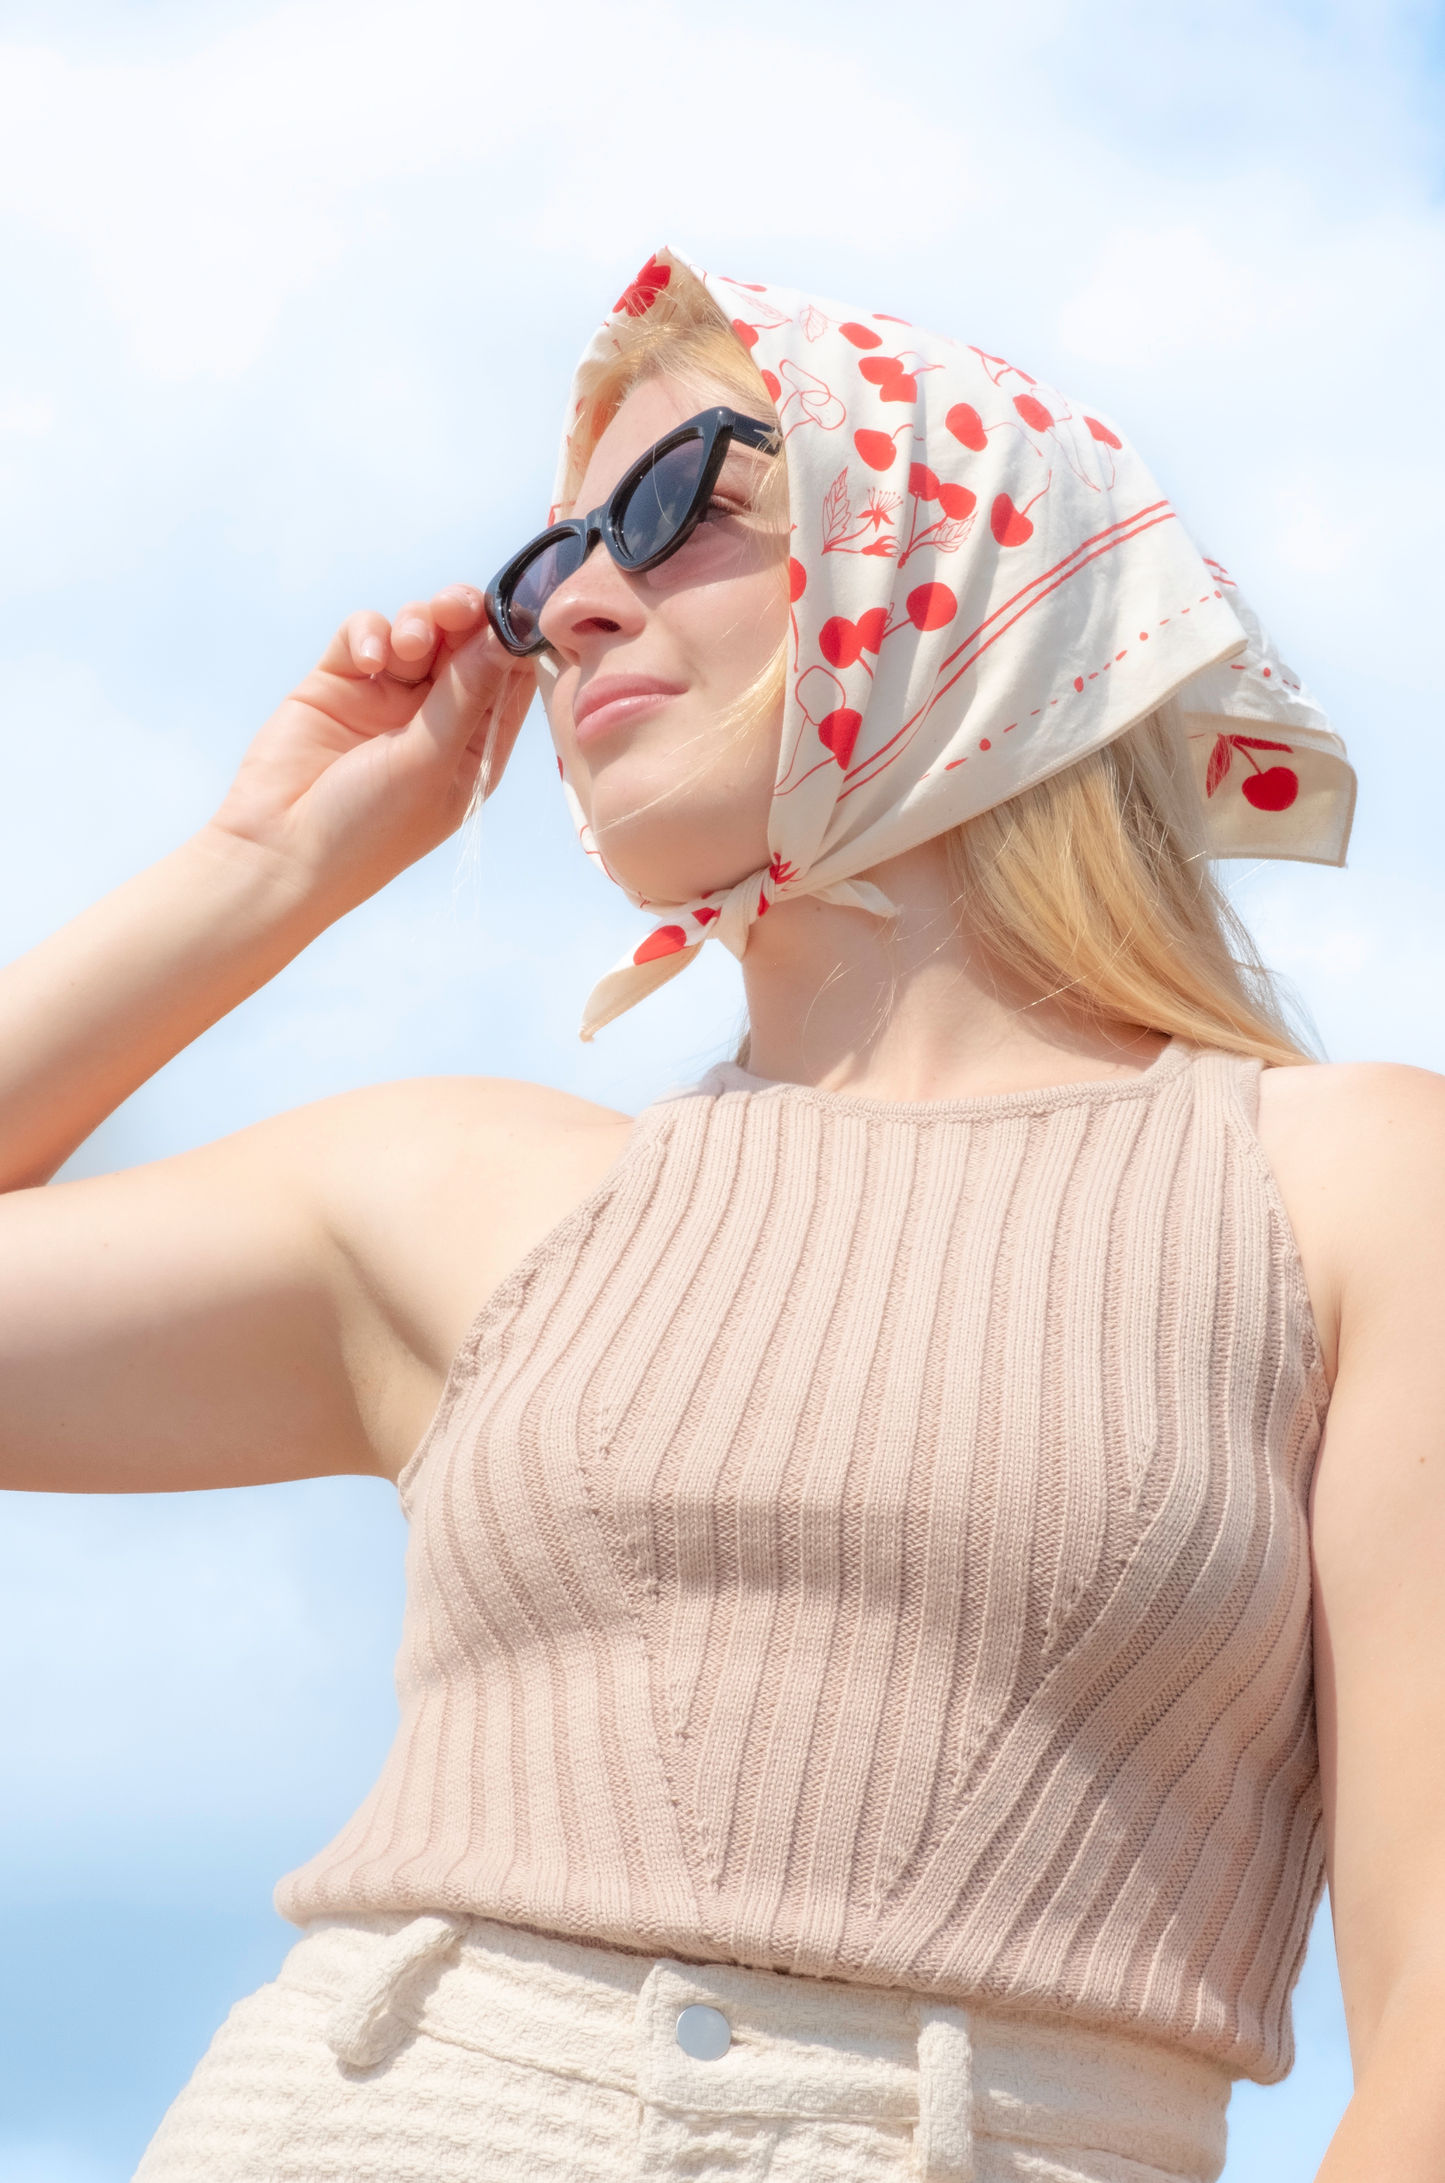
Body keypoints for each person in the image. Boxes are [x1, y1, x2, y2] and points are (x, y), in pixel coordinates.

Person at [1, 247, 1442, 2183]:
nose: (574, 604)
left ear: (964, 561)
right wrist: (262, 868)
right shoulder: (481, 1197)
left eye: (680, 504)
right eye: (547, 567)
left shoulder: (1344, 1188)